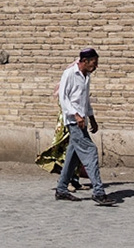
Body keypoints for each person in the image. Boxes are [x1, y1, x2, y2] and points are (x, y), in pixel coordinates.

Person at [54, 46, 115, 205]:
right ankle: (99, 192)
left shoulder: (86, 76)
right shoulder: (69, 74)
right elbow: (63, 98)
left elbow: (85, 100)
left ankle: (61, 189)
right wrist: (75, 115)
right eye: (93, 63)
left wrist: (91, 118)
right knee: (90, 151)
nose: (95, 66)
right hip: (73, 121)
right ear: (84, 61)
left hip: (82, 121)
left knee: (73, 156)